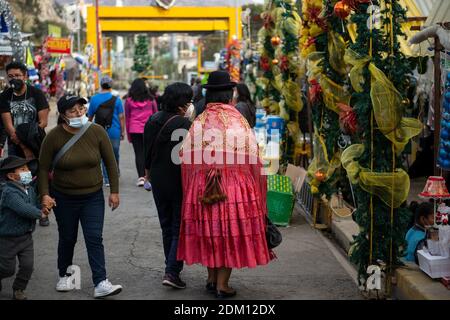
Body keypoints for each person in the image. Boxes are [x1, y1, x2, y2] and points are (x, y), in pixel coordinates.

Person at [177, 71, 273, 298]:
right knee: (228, 233)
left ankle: (211, 279)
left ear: (209, 95)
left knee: (210, 232)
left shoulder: (199, 120)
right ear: (230, 95)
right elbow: (253, 158)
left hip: (202, 188)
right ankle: (222, 285)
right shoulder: (238, 120)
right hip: (234, 189)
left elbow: (184, 155)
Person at [38, 95, 122, 298]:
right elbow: (42, 168)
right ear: (63, 115)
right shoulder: (53, 137)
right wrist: (44, 195)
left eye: (81, 109)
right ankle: (65, 275)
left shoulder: (96, 131)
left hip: (92, 196)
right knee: (68, 238)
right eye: (73, 111)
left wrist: (114, 192)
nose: (79, 114)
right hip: (64, 197)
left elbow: (110, 163)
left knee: (94, 237)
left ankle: (101, 282)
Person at [143, 83, 192, 289]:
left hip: (158, 180)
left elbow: (146, 153)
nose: (190, 105)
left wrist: (148, 175)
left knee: (166, 225)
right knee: (177, 227)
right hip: (178, 180)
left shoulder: (152, 120)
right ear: (182, 105)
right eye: (188, 102)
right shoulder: (185, 124)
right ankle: (172, 272)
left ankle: (170, 267)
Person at [0, 61, 50, 227]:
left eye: (18, 76)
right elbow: (9, 126)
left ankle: (42, 211)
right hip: (16, 144)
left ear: (25, 76)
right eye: (11, 76)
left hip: (36, 142)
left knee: (39, 176)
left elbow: (43, 122)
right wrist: (23, 146)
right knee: (18, 178)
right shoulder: (5, 96)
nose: (14, 79)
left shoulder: (36, 93)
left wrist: (29, 137)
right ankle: (22, 209)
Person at [0, 156, 53, 300]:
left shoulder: (29, 189)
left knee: (28, 266)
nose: (27, 171)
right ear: (11, 176)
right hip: (8, 238)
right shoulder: (9, 192)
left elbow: (34, 205)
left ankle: (19, 289)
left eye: (27, 168)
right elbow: (23, 209)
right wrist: (39, 214)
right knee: (7, 268)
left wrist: (44, 207)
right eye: (23, 169)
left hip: (26, 237)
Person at [87, 76, 125, 187]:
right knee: (114, 153)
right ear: (111, 85)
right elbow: (121, 117)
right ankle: (115, 173)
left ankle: (107, 179)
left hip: (100, 131)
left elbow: (90, 117)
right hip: (114, 131)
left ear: (101, 85)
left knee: (103, 154)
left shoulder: (94, 99)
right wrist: (122, 131)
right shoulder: (116, 99)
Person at [125, 78, 158, 187]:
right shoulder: (151, 100)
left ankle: (141, 178)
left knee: (138, 153)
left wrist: (128, 135)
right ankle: (150, 177)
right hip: (149, 129)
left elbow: (127, 118)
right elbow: (156, 115)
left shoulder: (129, 101)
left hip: (134, 129)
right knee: (149, 153)